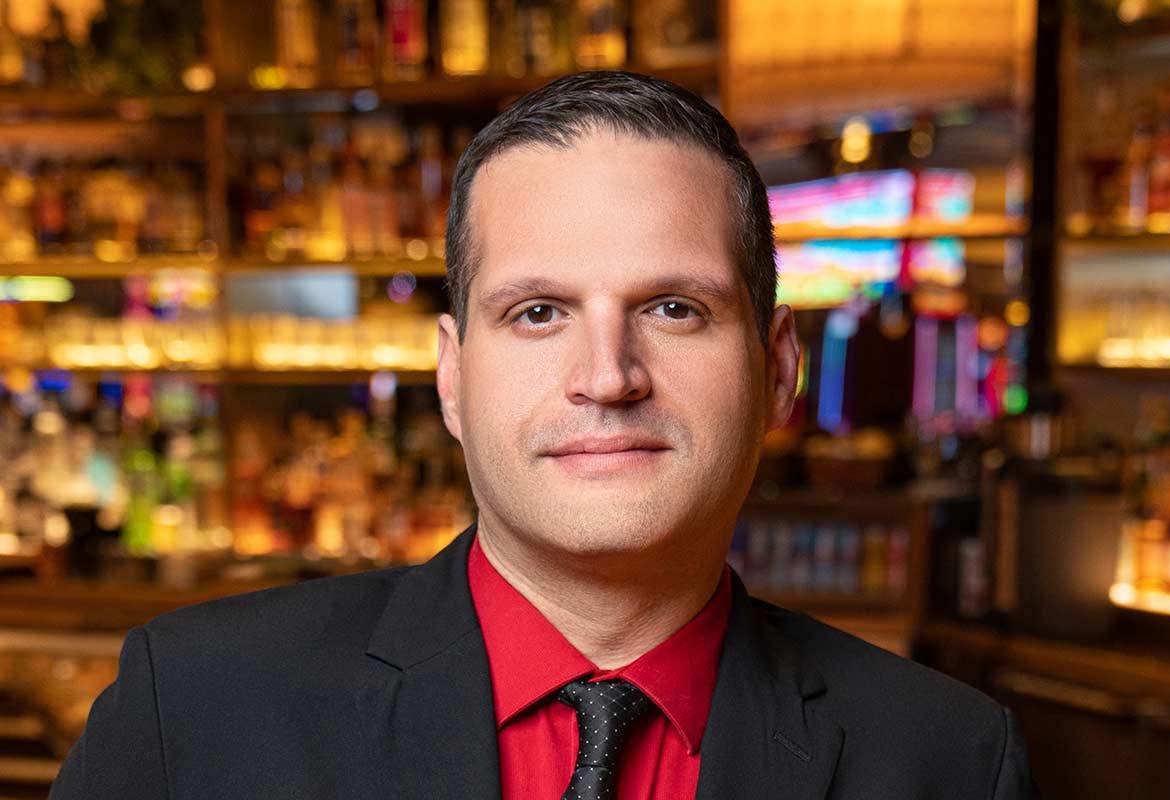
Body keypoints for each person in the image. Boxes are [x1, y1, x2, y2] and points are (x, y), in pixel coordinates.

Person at [50, 71, 1038, 799]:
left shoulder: (949, 759)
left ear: (780, 368)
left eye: (673, 307)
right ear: (452, 373)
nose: (607, 376)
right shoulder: (190, 709)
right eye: (536, 312)